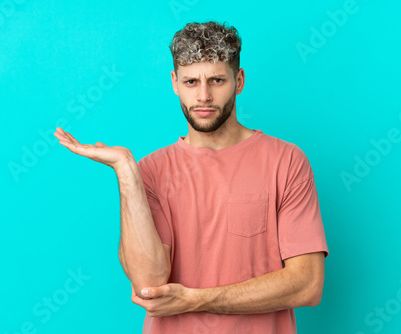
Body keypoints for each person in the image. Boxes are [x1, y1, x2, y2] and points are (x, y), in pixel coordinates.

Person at [54, 21, 329, 334]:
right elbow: (148, 284)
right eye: (190, 82)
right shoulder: (151, 170)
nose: (203, 96)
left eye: (216, 80)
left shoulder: (287, 162)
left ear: (238, 80)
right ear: (174, 82)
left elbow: (307, 285)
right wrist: (127, 170)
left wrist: (196, 300)